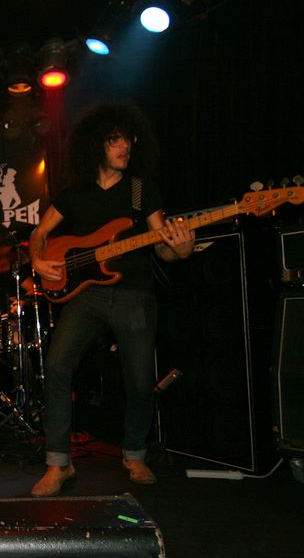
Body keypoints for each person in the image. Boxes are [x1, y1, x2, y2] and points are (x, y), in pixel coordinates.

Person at [28, 102, 194, 497]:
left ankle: (134, 453)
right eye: (114, 140)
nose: (124, 146)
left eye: (128, 139)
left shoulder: (141, 190)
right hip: (87, 296)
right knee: (57, 366)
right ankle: (58, 463)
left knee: (138, 380)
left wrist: (180, 249)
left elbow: (163, 248)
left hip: (134, 295)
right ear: (95, 144)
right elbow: (39, 233)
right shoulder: (75, 192)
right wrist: (37, 260)